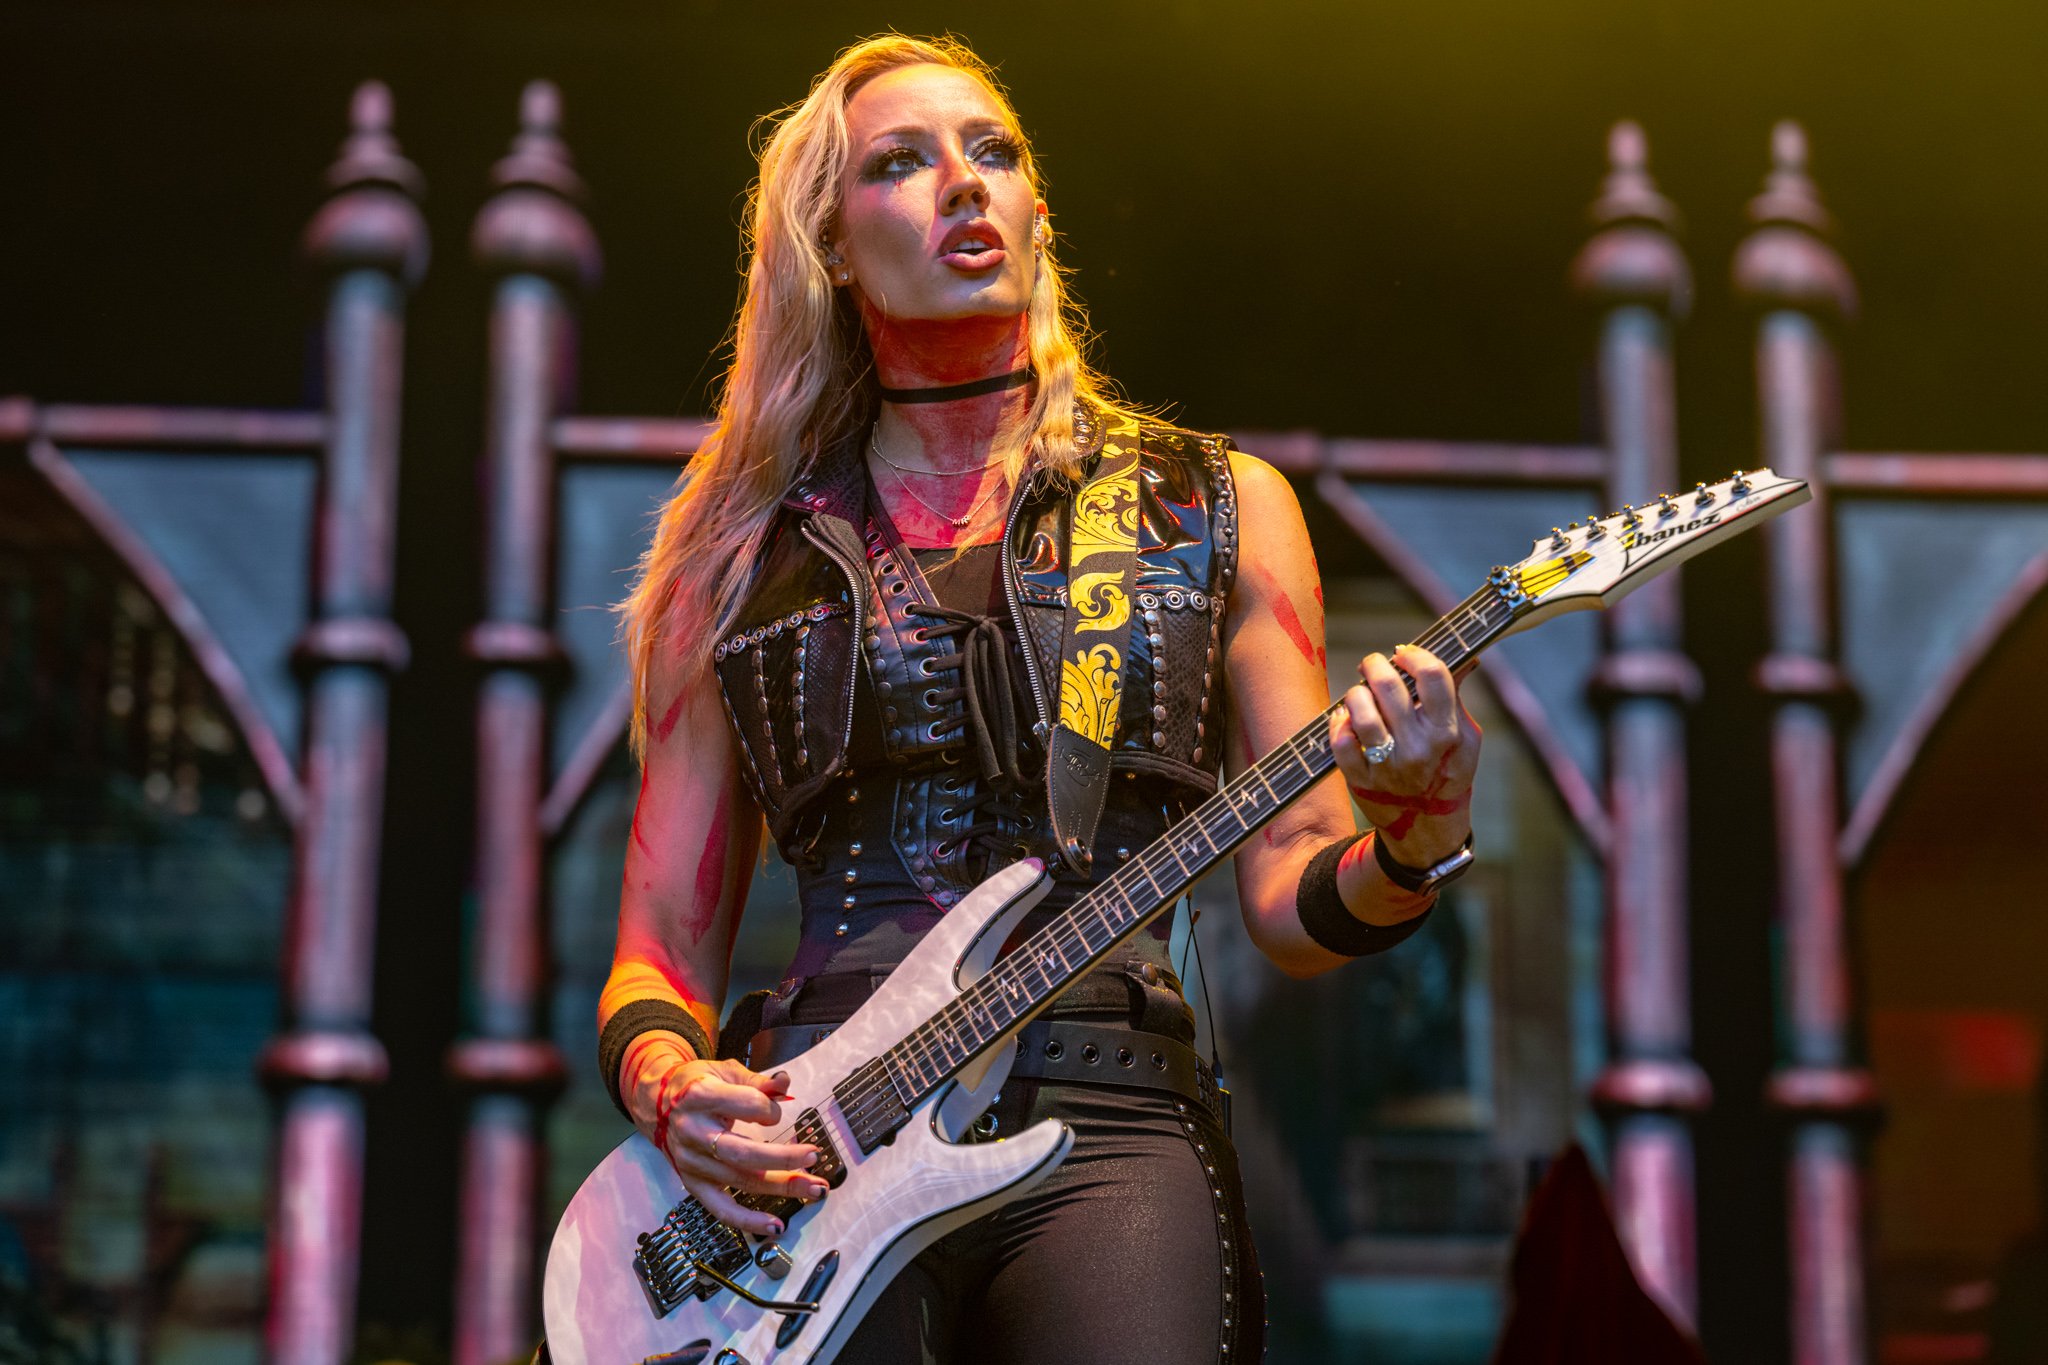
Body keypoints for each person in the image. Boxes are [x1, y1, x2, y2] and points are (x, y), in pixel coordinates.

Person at [599, 33, 1482, 1364]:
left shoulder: (1216, 507)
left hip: (1108, 1114)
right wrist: (673, 1090)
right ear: (830, 245)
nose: (963, 182)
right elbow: (661, 945)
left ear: (1037, 213)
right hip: (818, 1143)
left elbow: (1293, 900)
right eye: (901, 163)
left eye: (993, 151)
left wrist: (1414, 840)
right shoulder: (732, 563)